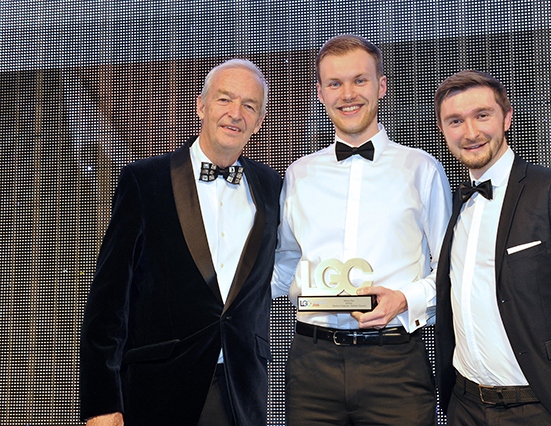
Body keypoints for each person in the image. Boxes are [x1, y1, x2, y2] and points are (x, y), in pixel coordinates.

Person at [80, 59, 281, 426]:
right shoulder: (145, 180)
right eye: (224, 100)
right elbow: (109, 299)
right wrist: (101, 401)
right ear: (200, 106)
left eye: (249, 105)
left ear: (259, 120)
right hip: (157, 389)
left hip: (241, 391)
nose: (235, 113)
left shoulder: (273, 188)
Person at [272, 34, 452, 425]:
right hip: (311, 365)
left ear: (381, 86)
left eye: (360, 80)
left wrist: (404, 299)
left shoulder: (422, 169)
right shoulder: (299, 174)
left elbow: (450, 269)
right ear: (320, 93)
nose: (347, 94)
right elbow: (285, 262)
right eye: (335, 83)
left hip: (396, 364)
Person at [433, 70, 551, 426]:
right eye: (455, 121)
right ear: (443, 130)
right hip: (465, 406)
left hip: (542, 407)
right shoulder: (457, 205)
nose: (471, 132)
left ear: (507, 118)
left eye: (482, 115)